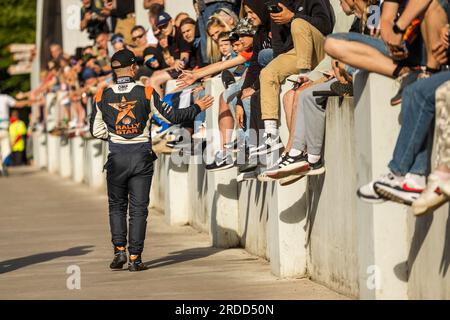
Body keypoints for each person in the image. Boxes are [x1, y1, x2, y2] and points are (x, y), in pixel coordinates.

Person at [89, 49, 214, 271]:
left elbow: (95, 130)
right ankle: (135, 258)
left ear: (114, 70)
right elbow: (173, 116)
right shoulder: (146, 92)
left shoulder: (102, 94)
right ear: (134, 68)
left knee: (117, 206)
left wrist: (117, 134)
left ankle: (119, 252)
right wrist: (197, 107)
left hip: (117, 155)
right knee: (138, 209)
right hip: (141, 155)